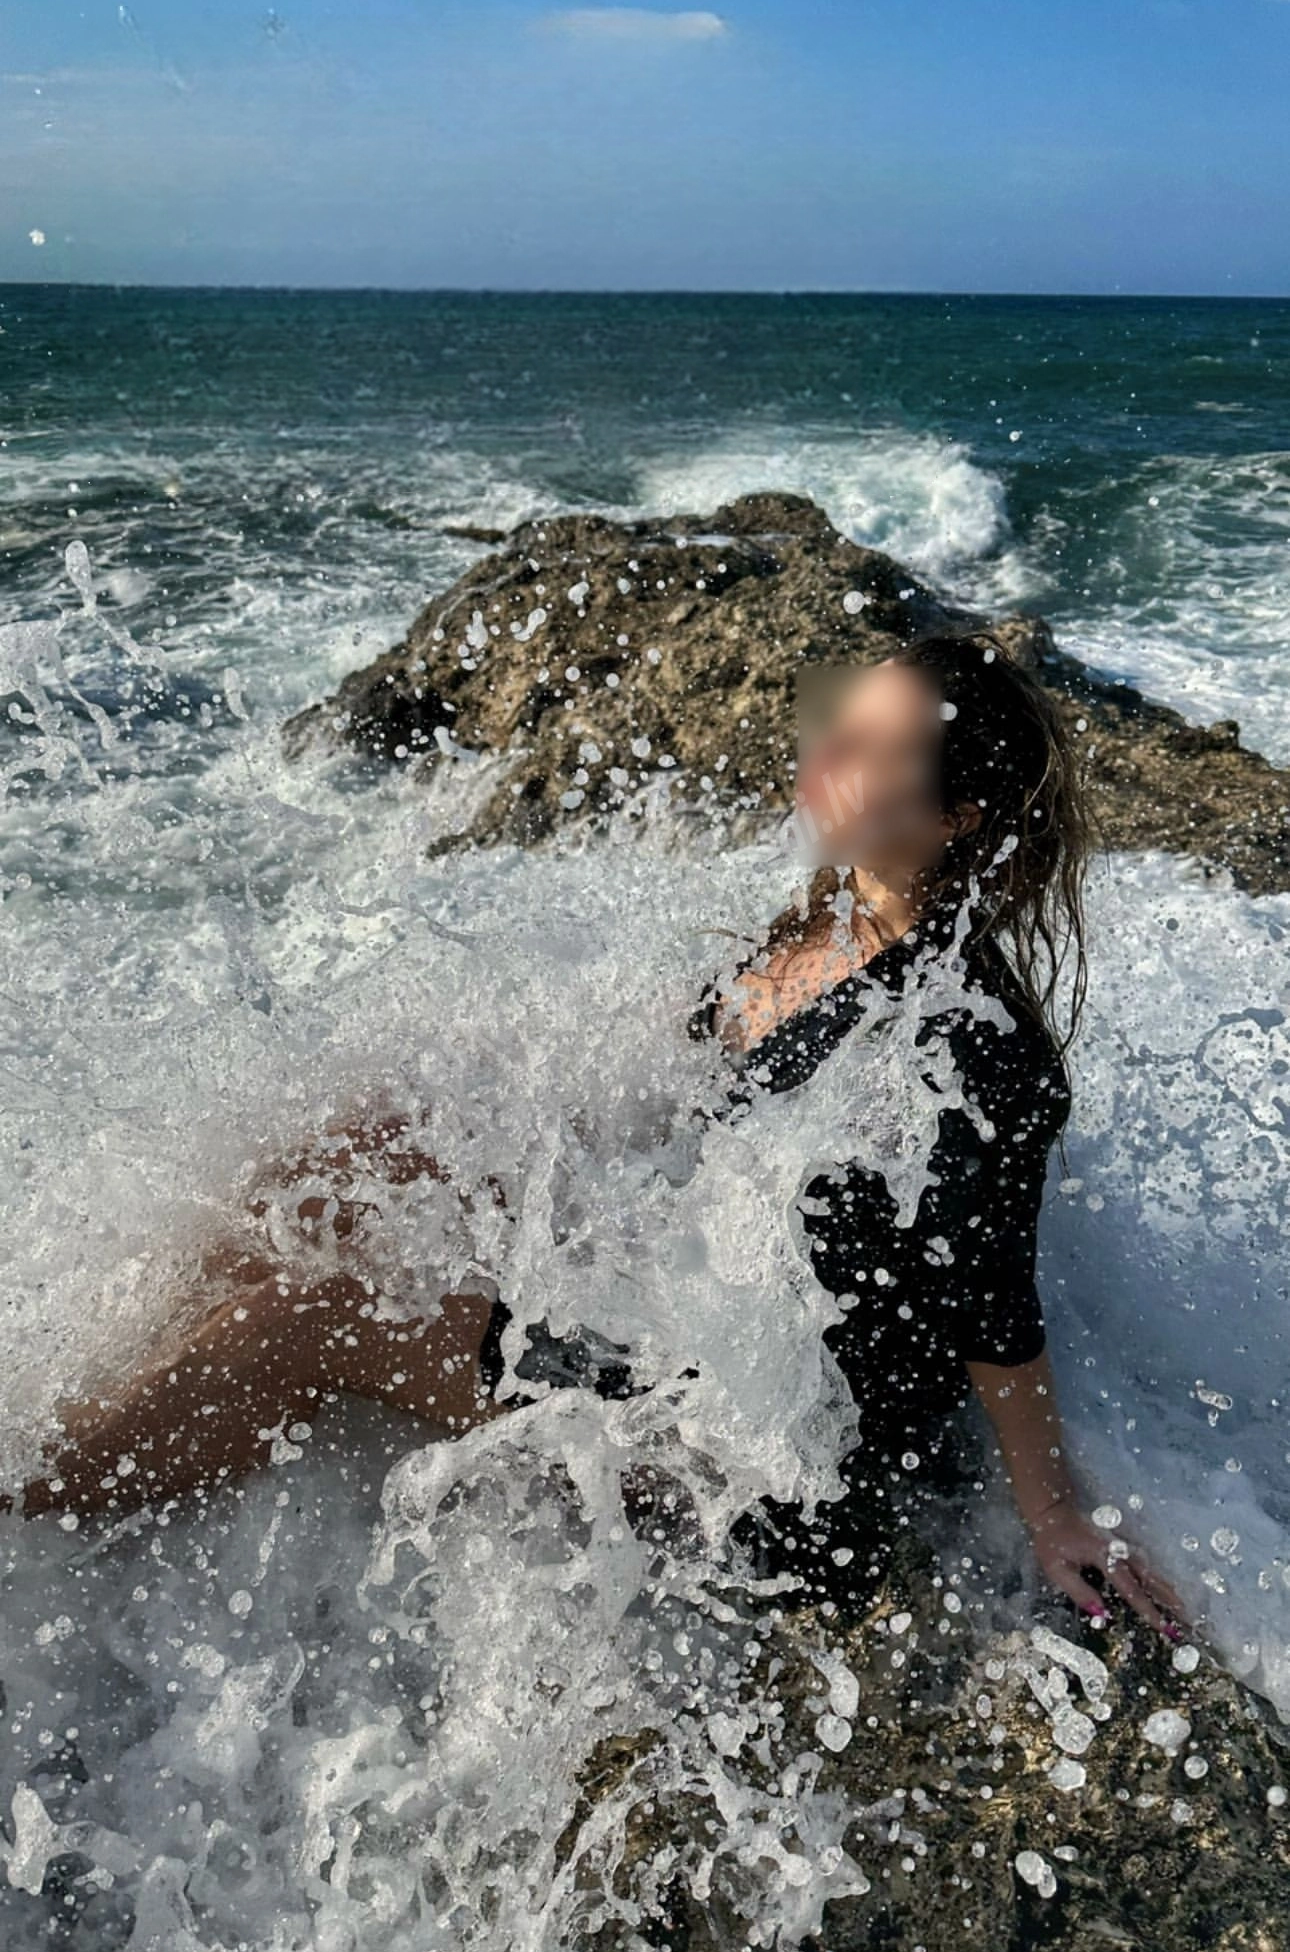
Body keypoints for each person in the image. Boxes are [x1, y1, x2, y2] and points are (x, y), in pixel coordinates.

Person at [13, 629, 1185, 1641]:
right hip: (684, 1321)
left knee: (311, 1312)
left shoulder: (969, 1039)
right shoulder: (827, 923)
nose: (828, 749)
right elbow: (697, 1133)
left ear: (954, 818)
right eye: (844, 718)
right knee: (345, 1177)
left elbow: (991, 1296)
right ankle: (96, 1399)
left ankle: (32, 1492)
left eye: (876, 748)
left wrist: (1052, 1512)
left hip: (762, 1460)